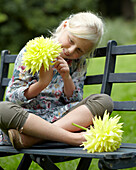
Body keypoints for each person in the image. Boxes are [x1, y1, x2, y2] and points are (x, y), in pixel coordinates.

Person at [0, 11, 113, 149]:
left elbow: (75, 101)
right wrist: (42, 83)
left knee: (104, 101)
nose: (71, 51)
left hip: (60, 116)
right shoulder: (33, 51)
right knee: (2, 109)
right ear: (65, 26)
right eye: (71, 41)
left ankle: (32, 139)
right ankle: (74, 138)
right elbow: (12, 98)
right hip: (27, 119)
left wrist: (67, 78)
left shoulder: (78, 63)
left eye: (79, 50)